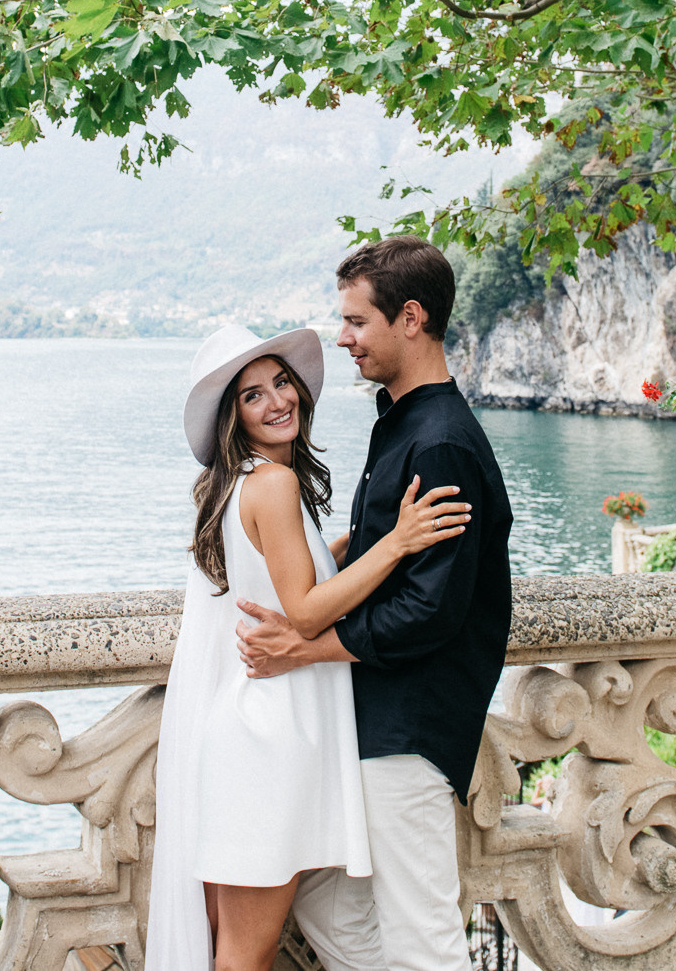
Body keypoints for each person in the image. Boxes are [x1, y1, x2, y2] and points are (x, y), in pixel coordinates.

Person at [147, 323, 474, 971]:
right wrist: (400, 540)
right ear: (231, 418)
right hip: (270, 745)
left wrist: (359, 538)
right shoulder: (274, 484)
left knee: (233, 948)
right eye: (252, 395)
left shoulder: (248, 481)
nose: (277, 400)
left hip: (254, 737)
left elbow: (297, 571)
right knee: (246, 954)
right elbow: (303, 609)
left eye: (281, 382)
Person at [237, 236, 516, 971]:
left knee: (425, 937)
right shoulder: (404, 423)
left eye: (357, 321)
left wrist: (309, 646)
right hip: (371, 720)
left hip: (412, 726)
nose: (343, 337)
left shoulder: (442, 443)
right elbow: (381, 559)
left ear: (412, 318)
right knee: (325, 898)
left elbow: (433, 608)